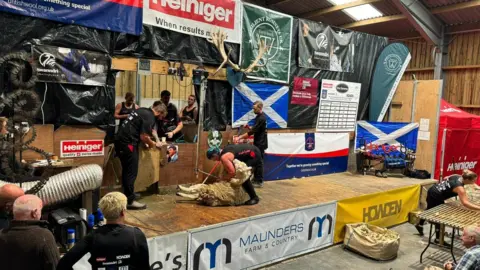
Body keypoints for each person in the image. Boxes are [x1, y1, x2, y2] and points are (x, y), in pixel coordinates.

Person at [57, 192, 150, 270]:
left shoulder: (93, 237)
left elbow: (63, 264)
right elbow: (145, 267)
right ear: (123, 212)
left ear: (104, 214)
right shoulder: (136, 235)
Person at [115, 102, 167, 210]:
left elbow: (146, 130)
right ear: (159, 112)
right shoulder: (150, 116)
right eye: (161, 116)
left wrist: (151, 141)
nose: (160, 119)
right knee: (131, 172)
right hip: (128, 144)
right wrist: (154, 144)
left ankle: (128, 196)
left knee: (127, 171)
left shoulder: (142, 111)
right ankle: (129, 201)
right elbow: (144, 136)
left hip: (121, 142)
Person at [416, 170, 480, 243]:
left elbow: (446, 177)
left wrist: (448, 187)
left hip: (433, 189)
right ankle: (438, 239)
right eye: (473, 181)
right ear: (467, 180)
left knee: (430, 208)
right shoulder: (460, 188)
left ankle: (419, 225)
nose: (474, 182)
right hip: (435, 195)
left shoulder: (457, 176)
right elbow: (465, 203)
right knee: (438, 216)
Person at [0, 195, 60, 270]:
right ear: (34, 213)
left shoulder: (2, 235)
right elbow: (55, 266)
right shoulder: (44, 236)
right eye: (40, 210)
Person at [237, 101, 267, 187]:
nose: (253, 110)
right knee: (257, 160)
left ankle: (259, 181)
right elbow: (255, 129)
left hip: (261, 143)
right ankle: (256, 178)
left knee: (259, 161)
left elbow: (252, 132)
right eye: (253, 108)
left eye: (255, 108)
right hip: (258, 141)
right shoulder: (258, 117)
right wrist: (248, 127)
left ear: (260, 108)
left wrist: (240, 137)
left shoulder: (262, 118)